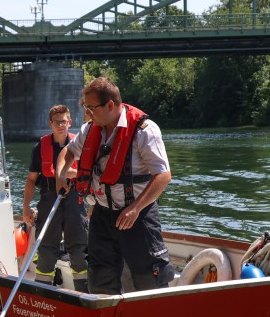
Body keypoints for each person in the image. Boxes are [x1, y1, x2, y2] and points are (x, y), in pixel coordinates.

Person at [55, 77, 175, 295]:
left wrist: (135, 209)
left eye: (91, 108)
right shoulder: (90, 129)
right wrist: (61, 174)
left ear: (110, 105)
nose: (88, 113)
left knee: (149, 281)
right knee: (100, 281)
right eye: (86, 108)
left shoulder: (144, 130)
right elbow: (69, 152)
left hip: (137, 217)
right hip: (102, 216)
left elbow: (163, 175)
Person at [23, 105, 88, 292]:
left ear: (70, 122)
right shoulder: (39, 148)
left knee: (79, 249)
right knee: (46, 250)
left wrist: (67, 173)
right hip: (49, 199)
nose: (61, 125)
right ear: (50, 124)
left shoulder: (80, 144)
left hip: (75, 200)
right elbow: (31, 180)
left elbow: (87, 174)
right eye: (57, 122)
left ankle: (83, 292)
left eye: (64, 121)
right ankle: (42, 292)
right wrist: (26, 207)